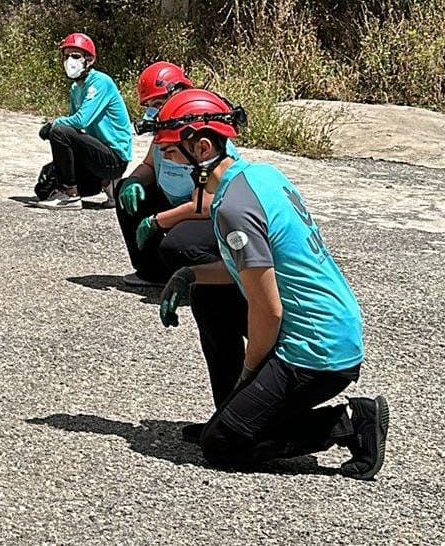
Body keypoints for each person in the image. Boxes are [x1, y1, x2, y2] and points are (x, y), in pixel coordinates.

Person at [152, 92, 388, 479]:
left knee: (223, 445)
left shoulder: (233, 208)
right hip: (330, 327)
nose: (168, 161)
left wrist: (249, 372)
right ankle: (232, 414)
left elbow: (269, 309)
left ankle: (349, 421)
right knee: (208, 297)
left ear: (202, 147)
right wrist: (190, 275)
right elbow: (248, 270)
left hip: (317, 353)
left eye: (172, 152)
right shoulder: (257, 176)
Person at [115, 64, 249, 415]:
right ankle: (154, 270)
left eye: (158, 101)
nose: (153, 109)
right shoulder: (170, 135)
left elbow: (207, 203)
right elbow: (149, 164)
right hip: (182, 205)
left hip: (200, 211)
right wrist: (133, 181)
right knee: (209, 301)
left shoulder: (220, 167)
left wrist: (161, 221)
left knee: (178, 246)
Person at [32, 32, 132, 210]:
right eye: (66, 56)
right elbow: (76, 132)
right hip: (96, 155)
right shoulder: (75, 88)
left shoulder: (100, 82)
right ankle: (107, 184)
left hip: (113, 158)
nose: (70, 61)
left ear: (90, 60)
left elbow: (80, 122)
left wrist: (53, 124)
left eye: (76, 56)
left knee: (59, 131)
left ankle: (70, 195)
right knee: (45, 186)